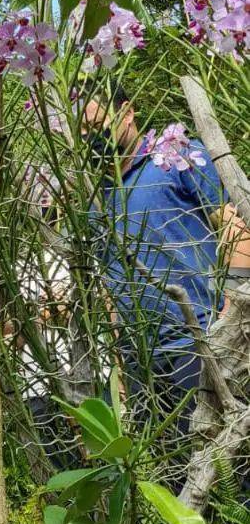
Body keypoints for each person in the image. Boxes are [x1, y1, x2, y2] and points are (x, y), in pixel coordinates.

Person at [84, 87, 250, 434]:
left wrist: (230, 319)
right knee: (167, 472)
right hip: (140, 359)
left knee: (225, 462)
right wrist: (119, 361)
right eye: (82, 133)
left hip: (199, 340)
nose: (91, 139)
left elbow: (237, 228)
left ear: (126, 113)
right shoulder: (97, 198)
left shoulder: (174, 156)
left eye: (97, 125)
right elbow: (110, 282)